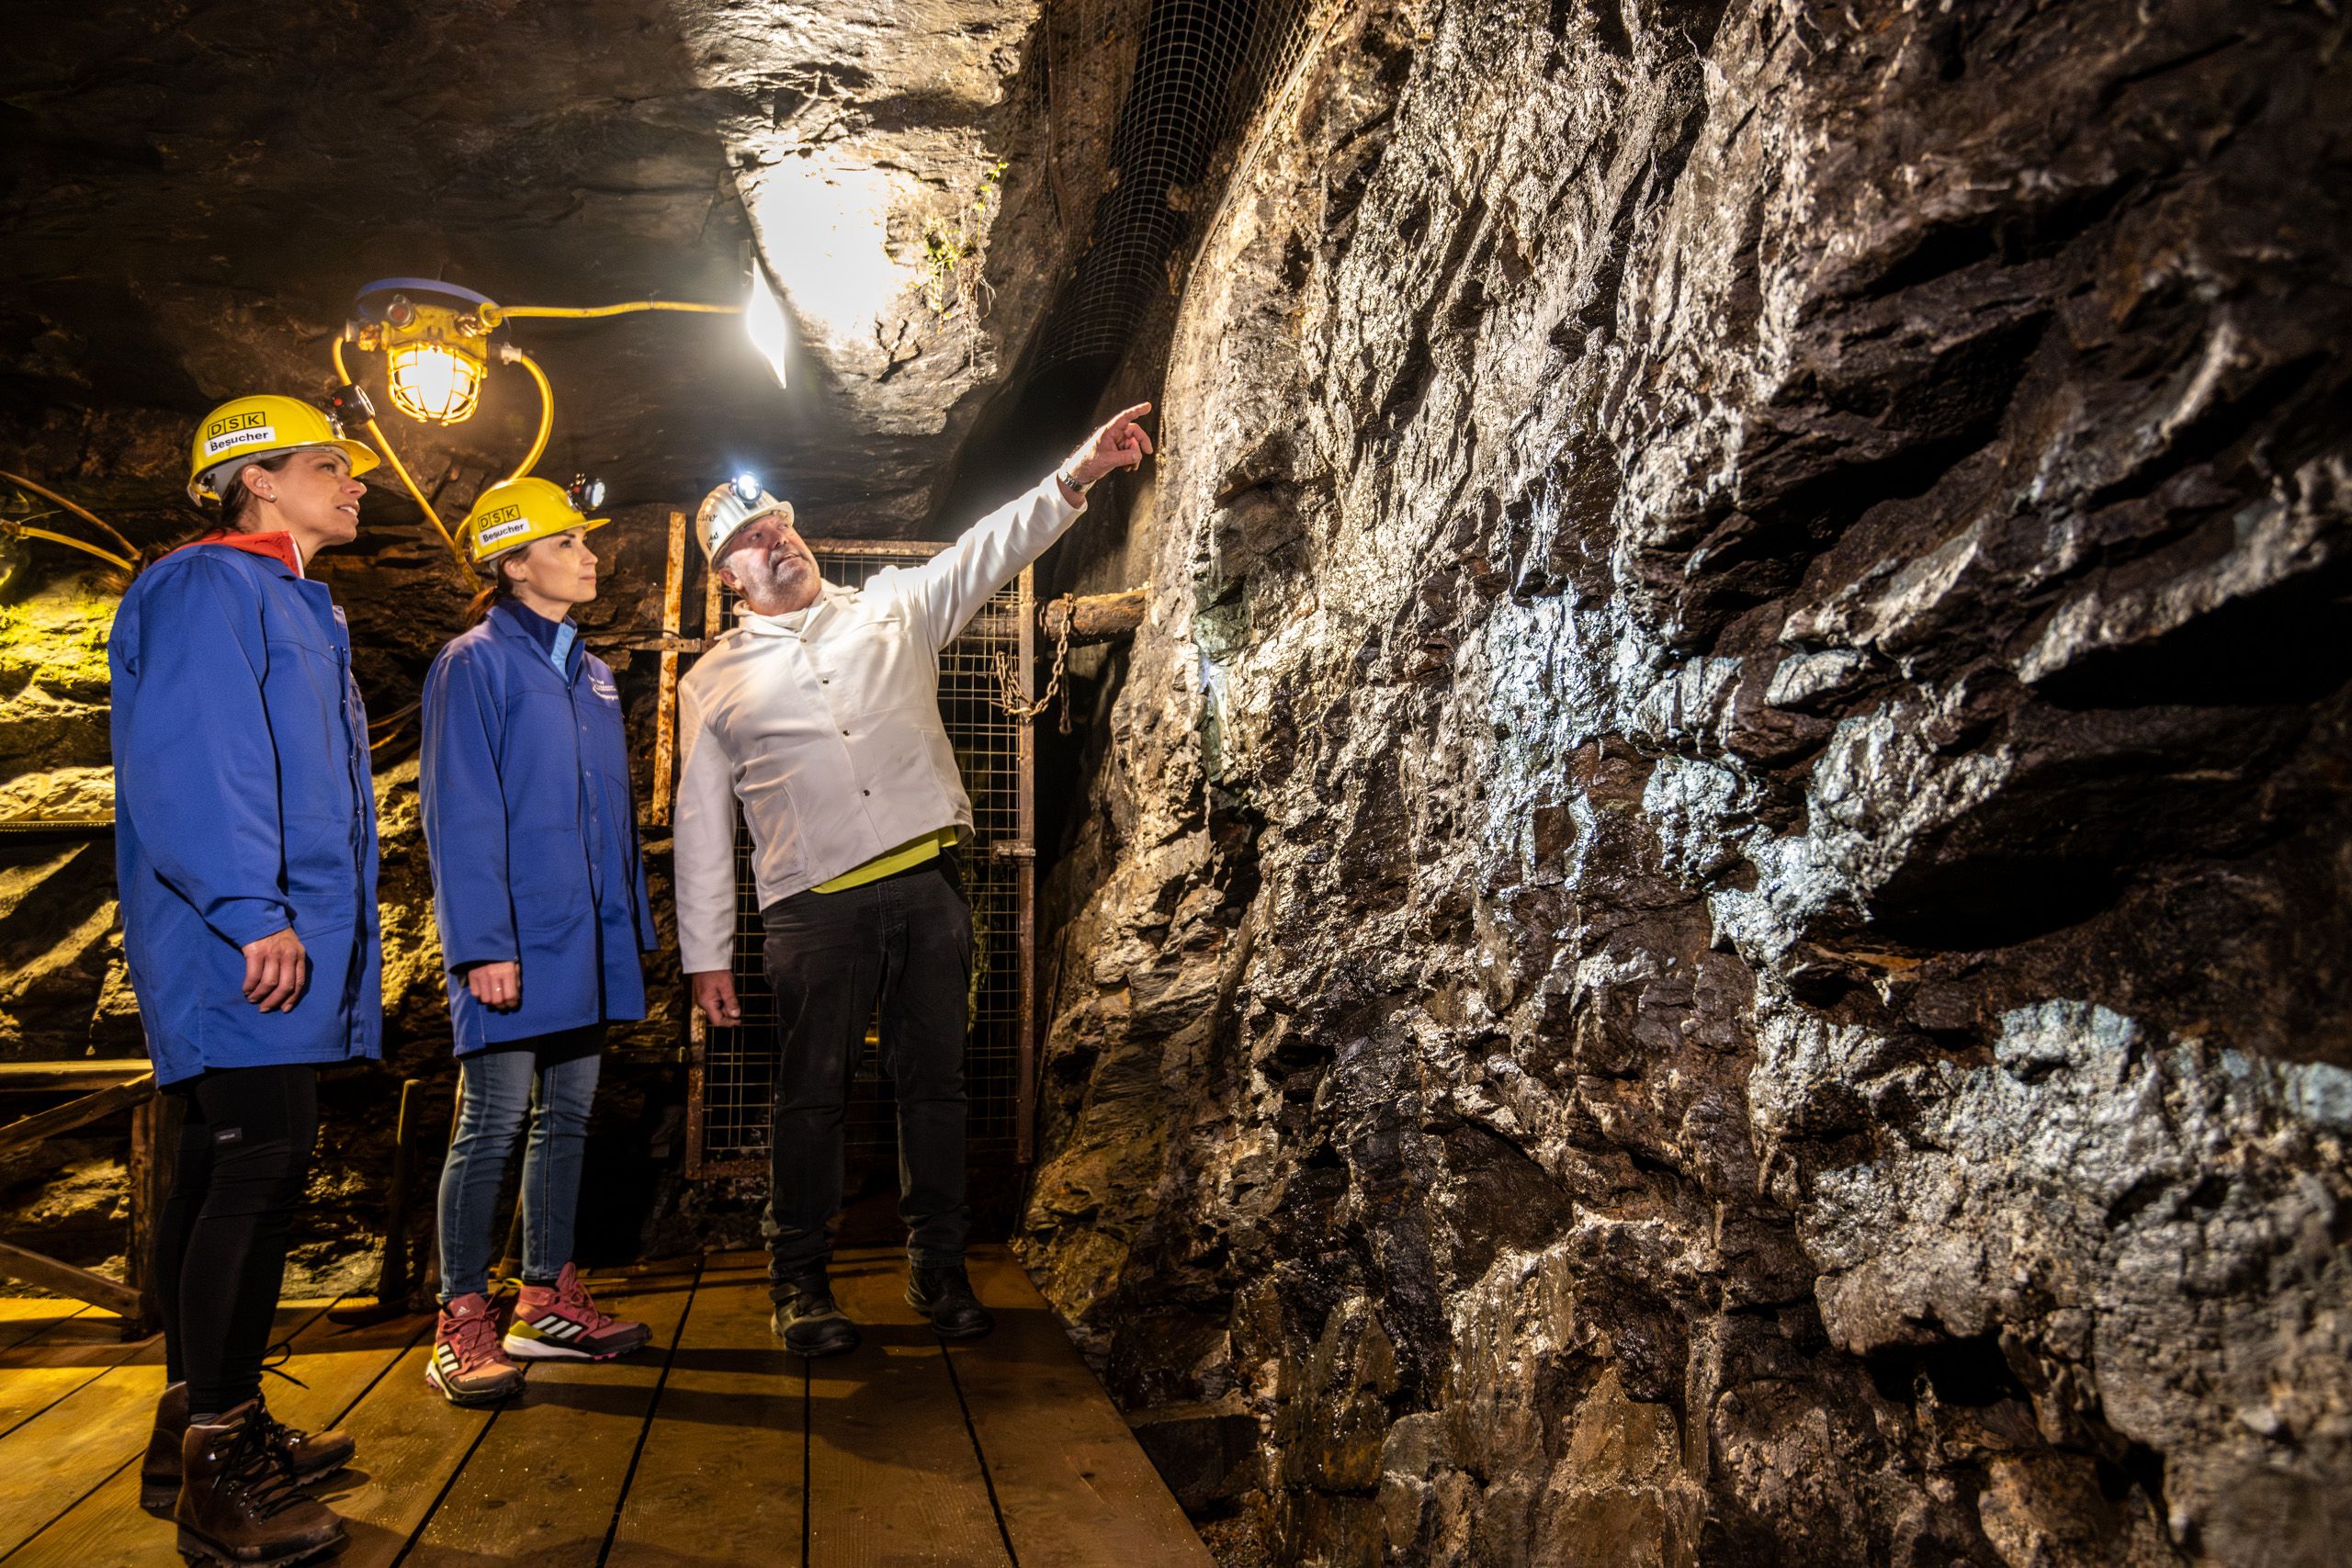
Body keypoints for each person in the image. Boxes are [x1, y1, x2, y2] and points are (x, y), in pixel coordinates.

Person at [676, 404, 1155, 1356]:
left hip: (928, 888)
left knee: (934, 1085)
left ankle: (938, 1268)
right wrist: (705, 956)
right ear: (727, 575)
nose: (778, 542)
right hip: (811, 909)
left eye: (780, 525)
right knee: (810, 1094)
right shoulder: (711, 681)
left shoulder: (891, 606)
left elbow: (987, 549)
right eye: (753, 540)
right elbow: (699, 825)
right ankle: (799, 1282)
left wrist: (1078, 471)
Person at [114, 394, 380, 1564]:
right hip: (237, 935)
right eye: (329, 462)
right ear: (256, 480)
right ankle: (221, 1474)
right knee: (259, 1164)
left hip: (258, 927)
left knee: (217, 1167)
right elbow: (195, 759)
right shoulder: (206, 583)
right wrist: (249, 909)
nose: (355, 481)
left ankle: (191, 1431)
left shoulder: (282, 596)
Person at [416, 477, 659, 1406]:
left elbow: (607, 816)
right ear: (514, 564)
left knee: (567, 1118)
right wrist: (482, 945)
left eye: (584, 541)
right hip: (512, 943)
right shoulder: (472, 663)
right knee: (491, 1123)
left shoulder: (590, 672)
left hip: (584, 941)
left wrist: (625, 930)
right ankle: (460, 1320)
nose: (590, 555)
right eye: (566, 543)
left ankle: (546, 1300)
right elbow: (461, 810)